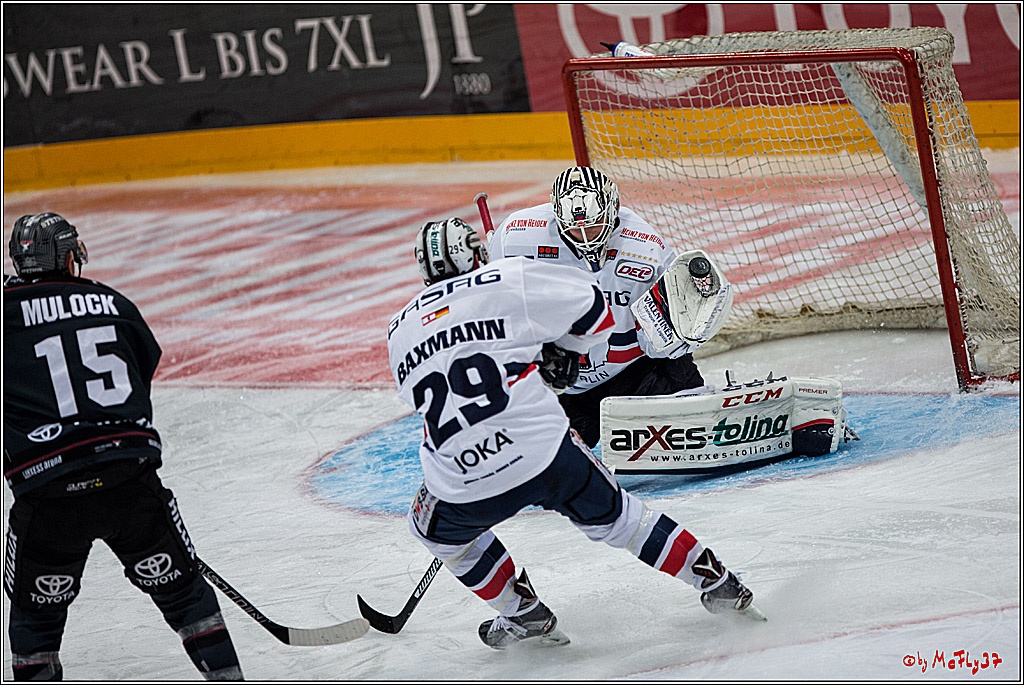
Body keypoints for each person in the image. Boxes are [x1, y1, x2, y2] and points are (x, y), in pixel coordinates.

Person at [387, 217, 763, 650]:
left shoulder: (398, 328)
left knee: (434, 533)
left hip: (462, 478)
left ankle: (522, 613)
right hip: (544, 450)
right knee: (623, 519)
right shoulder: (510, 278)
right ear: (476, 252)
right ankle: (716, 581)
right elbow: (594, 306)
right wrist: (564, 354)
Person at [3, 213, 243, 681]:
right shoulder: (110, 301)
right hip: (126, 480)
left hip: (48, 493)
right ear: (69, 257)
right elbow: (144, 360)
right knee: (185, 594)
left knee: (36, 616)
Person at [487, 166, 714, 448]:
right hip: (558, 382)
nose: (585, 237)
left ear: (613, 209)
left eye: (594, 225)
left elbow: (665, 338)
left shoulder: (647, 248)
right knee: (539, 452)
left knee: (685, 395)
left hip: (629, 374)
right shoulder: (515, 236)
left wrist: (675, 344)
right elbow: (494, 313)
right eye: (574, 229)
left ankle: (696, 405)